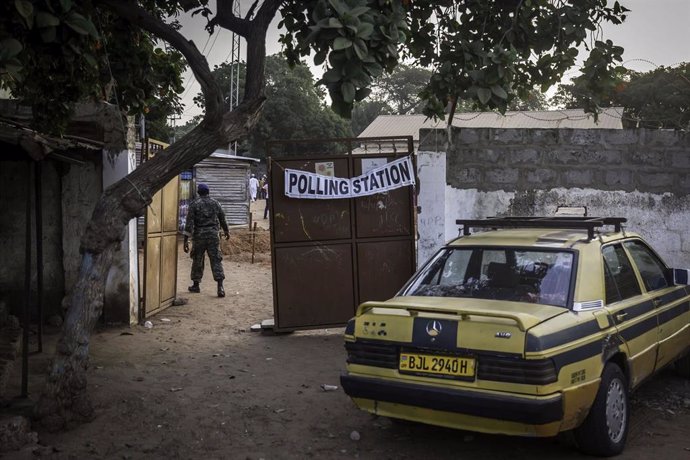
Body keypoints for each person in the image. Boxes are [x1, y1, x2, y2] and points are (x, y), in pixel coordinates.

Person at [183, 183, 230, 297]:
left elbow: (189, 224)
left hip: (199, 236)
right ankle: (220, 287)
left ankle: (196, 285)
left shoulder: (194, 204)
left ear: (199, 192)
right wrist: (226, 231)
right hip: (213, 236)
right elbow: (222, 218)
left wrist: (185, 240)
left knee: (197, 260)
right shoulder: (215, 203)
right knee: (216, 260)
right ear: (208, 192)